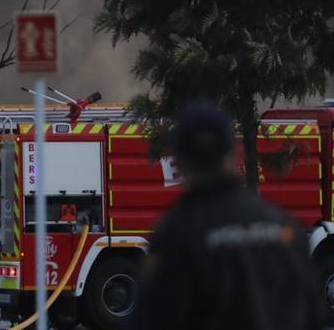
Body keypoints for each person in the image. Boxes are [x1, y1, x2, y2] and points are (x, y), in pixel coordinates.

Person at [132, 101, 322, 330]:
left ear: (178, 162)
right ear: (232, 152)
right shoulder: (285, 227)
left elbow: (155, 318)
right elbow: (313, 314)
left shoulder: (174, 238)